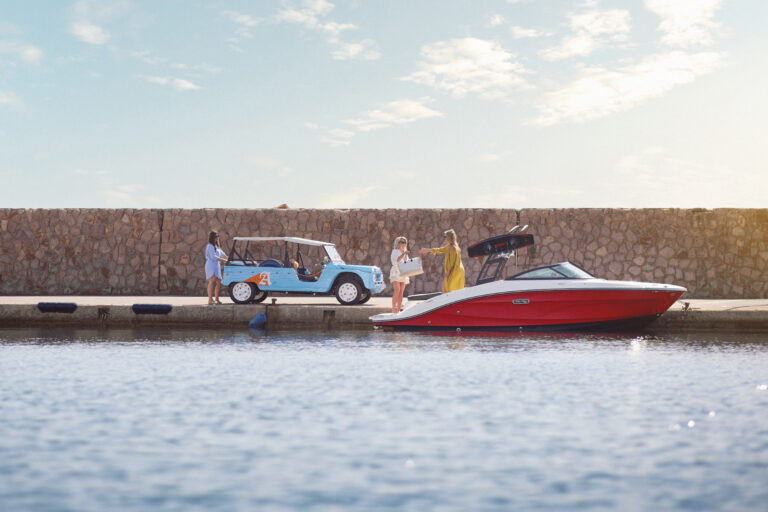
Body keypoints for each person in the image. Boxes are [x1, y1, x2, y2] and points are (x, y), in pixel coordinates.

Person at [420, 228, 465, 293]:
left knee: (449, 289)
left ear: (448, 237)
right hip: (459, 270)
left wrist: (448, 273)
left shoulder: (452, 248)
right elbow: (439, 250)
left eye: (445, 236)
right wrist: (426, 250)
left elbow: (452, 262)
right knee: (455, 290)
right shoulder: (452, 247)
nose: (445, 238)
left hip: (455, 271)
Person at [205, 231, 228, 305]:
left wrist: (229, 260)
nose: (217, 238)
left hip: (216, 265)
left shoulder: (217, 247)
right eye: (216, 236)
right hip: (211, 265)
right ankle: (210, 300)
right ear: (212, 237)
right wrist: (223, 260)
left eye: (218, 236)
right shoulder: (210, 246)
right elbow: (213, 257)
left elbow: (223, 255)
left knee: (218, 282)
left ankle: (217, 299)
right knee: (212, 281)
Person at [390, 236, 410, 313]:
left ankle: (398, 310)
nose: (403, 244)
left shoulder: (405, 252)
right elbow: (395, 261)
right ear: (398, 243)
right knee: (397, 290)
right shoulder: (395, 251)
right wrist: (403, 254)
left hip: (403, 273)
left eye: (405, 242)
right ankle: (393, 308)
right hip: (396, 272)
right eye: (402, 242)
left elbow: (407, 262)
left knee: (401, 292)